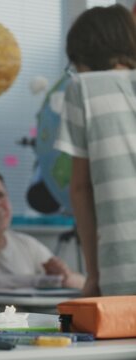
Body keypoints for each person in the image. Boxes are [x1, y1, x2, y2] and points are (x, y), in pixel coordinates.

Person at [55, 4, 136, 297]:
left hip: (123, 262)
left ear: (83, 54)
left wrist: (93, 273)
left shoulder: (84, 89)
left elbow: (80, 188)